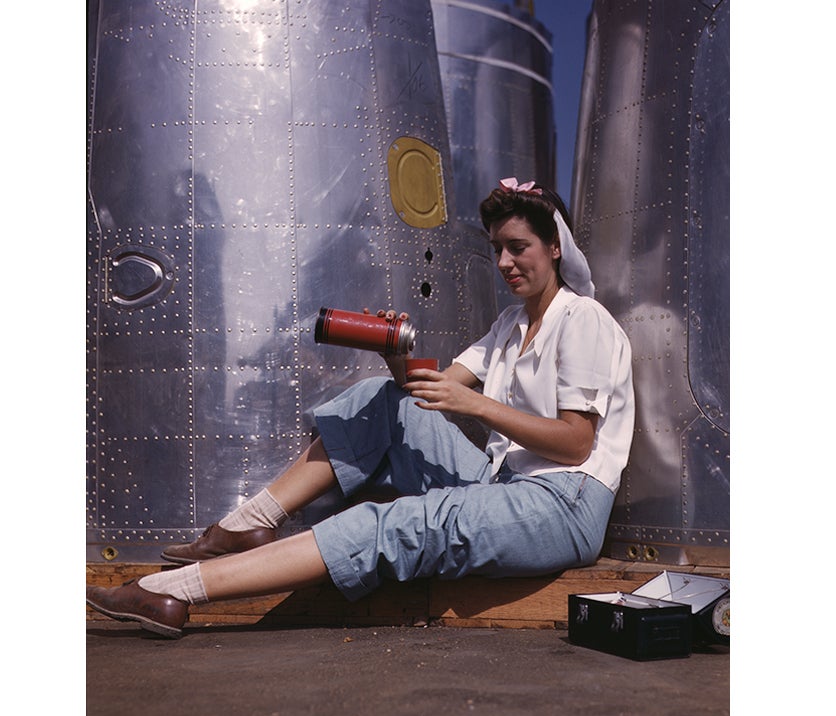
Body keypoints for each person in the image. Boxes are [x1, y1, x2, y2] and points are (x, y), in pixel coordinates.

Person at [86, 178, 635, 638]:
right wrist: (394, 356)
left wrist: (479, 407)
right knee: (383, 399)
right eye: (497, 249)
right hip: (502, 484)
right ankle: (250, 523)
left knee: (400, 523)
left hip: (565, 502)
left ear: (555, 247)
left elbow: (575, 442)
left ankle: (168, 592)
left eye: (519, 247)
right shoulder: (510, 325)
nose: (505, 262)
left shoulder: (581, 318)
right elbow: (430, 393)